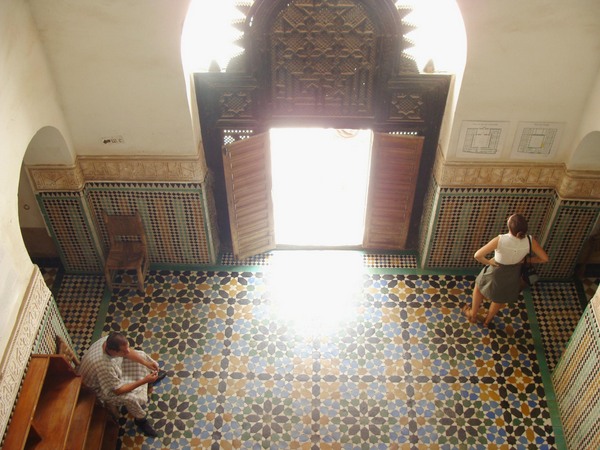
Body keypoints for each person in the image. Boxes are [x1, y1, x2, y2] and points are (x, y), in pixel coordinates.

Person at [462, 213, 549, 327]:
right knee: (499, 299)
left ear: (509, 226)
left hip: (496, 270)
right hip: (513, 274)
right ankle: (487, 321)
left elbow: (477, 255)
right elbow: (544, 258)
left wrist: (489, 262)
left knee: (479, 288)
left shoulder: (500, 240)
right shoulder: (530, 240)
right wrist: (524, 261)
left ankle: (473, 314)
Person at [77, 332, 167, 437]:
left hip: (111, 373)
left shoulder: (109, 341)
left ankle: (150, 380)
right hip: (98, 389)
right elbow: (118, 390)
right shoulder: (104, 366)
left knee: (141, 355)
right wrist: (144, 380)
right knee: (131, 398)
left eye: (127, 347)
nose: (127, 351)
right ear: (113, 351)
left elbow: (128, 353)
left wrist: (146, 363)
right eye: (123, 351)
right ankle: (140, 420)